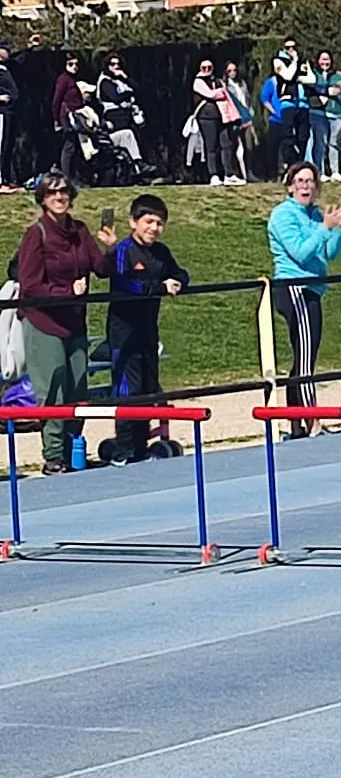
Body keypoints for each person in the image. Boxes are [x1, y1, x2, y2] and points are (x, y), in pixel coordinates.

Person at [13, 174, 115, 472]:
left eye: (64, 192)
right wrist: (66, 292)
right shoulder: (37, 235)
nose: (59, 197)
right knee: (54, 389)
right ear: (43, 199)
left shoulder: (79, 231)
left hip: (75, 321)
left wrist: (109, 248)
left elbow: (100, 269)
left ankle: (74, 449)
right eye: (52, 193)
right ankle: (53, 456)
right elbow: (29, 285)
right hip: (44, 322)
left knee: (78, 389)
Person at [103, 194, 190, 464]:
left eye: (159, 223)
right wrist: (159, 287)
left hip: (148, 331)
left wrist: (177, 282)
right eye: (148, 221)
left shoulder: (160, 252)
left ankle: (141, 446)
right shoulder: (124, 251)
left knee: (149, 388)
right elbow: (125, 283)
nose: (154, 228)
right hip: (123, 333)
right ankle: (126, 448)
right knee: (129, 389)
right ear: (133, 222)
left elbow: (181, 273)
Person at [268, 164, 341, 439]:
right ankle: (313, 422)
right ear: (290, 186)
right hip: (294, 287)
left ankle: (295, 424)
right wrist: (324, 228)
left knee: (304, 358)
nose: (306, 186)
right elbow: (300, 253)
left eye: (311, 181)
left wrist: (338, 228)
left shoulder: (315, 214)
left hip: (313, 288)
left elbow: (329, 252)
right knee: (305, 361)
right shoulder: (283, 215)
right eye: (300, 181)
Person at [94, 54, 146, 172]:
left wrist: (126, 78)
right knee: (127, 139)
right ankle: (138, 166)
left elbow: (138, 90)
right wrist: (129, 93)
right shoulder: (105, 82)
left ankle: (139, 168)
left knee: (134, 140)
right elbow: (115, 97)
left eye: (118, 64)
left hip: (128, 117)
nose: (116, 67)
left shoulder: (122, 80)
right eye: (112, 64)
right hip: (115, 118)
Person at [305, 50, 341, 180]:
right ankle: (320, 172)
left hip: (336, 113)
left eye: (327, 59)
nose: (325, 62)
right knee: (320, 143)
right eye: (322, 59)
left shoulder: (339, 76)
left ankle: (335, 171)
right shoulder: (313, 75)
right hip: (318, 113)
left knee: (334, 142)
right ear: (318, 61)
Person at [191, 60, 230, 186]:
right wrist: (220, 92)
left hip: (221, 116)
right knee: (211, 146)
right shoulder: (198, 81)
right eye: (204, 67)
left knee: (225, 144)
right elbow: (211, 94)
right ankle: (213, 174)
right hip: (206, 117)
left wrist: (220, 92)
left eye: (209, 67)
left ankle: (228, 173)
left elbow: (224, 92)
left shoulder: (217, 80)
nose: (207, 69)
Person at [271, 39, 309, 164]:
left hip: (303, 104)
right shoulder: (278, 60)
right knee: (288, 137)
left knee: (303, 137)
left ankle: (300, 163)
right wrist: (295, 62)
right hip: (288, 102)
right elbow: (287, 76)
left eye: (294, 46)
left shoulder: (303, 60)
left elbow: (311, 78)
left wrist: (299, 77)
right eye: (288, 47)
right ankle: (289, 164)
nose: (291, 50)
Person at [222, 63, 253, 182]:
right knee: (233, 145)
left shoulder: (242, 83)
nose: (233, 72)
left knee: (248, 145)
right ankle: (236, 172)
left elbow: (247, 99)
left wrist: (250, 114)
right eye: (229, 71)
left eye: (234, 70)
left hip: (246, 116)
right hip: (234, 118)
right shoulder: (225, 85)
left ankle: (249, 172)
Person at [0, 40, 17, 192]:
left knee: (7, 146)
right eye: (6, 50)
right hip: (1, 112)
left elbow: (20, 59)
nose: (8, 53)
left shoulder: (6, 67)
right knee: (1, 145)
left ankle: (6, 179)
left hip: (10, 112)